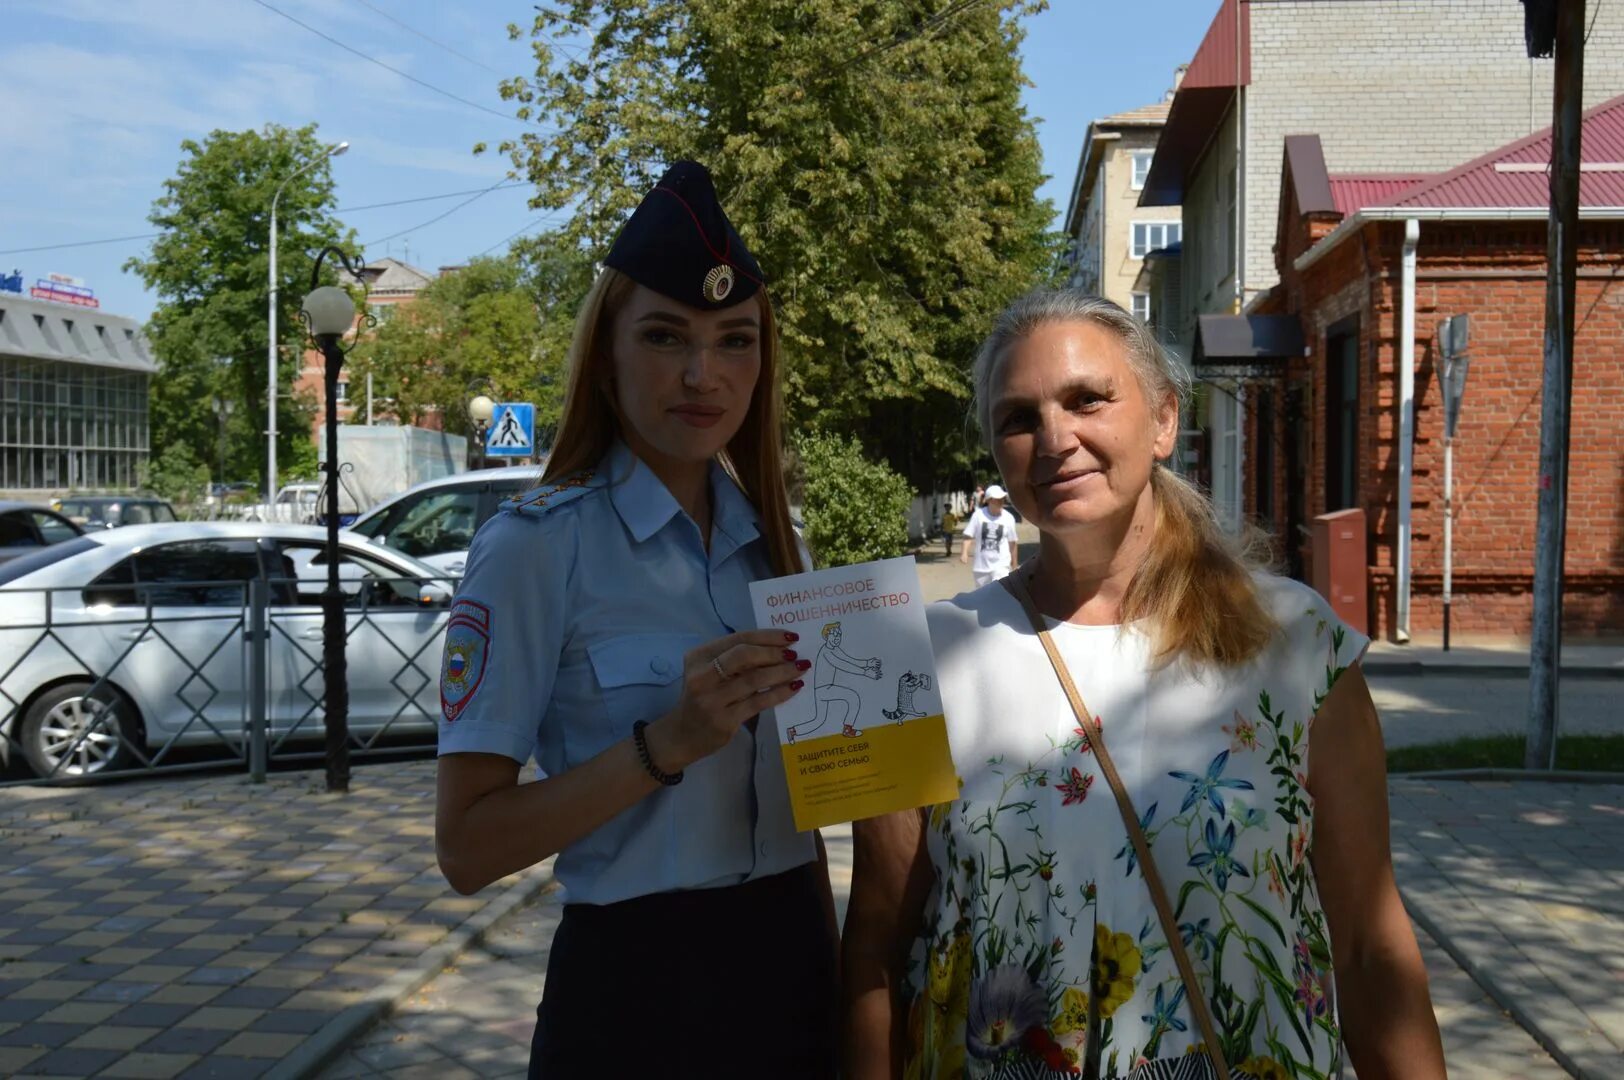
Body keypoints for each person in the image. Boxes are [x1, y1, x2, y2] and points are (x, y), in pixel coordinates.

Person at [843, 290, 1445, 1080]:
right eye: (1018, 418)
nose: (1056, 438)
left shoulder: (1297, 646)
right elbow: (875, 957)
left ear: (1163, 421)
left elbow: (1370, 946)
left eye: (1087, 399)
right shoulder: (909, 659)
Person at [434, 162, 839, 1078]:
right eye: (666, 337)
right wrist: (668, 743)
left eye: (736, 341)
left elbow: (806, 827)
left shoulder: (777, 549)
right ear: (607, 357)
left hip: (793, 971)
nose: (705, 375)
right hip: (635, 996)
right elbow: (465, 848)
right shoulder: (535, 548)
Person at [959, 483, 1020, 586]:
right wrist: (964, 552)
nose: (1001, 501)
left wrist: (1014, 566)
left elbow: (1012, 543)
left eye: (1002, 498)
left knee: (999, 594)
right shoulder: (978, 516)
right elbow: (968, 536)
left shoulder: (1008, 518)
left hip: (1001, 566)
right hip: (981, 567)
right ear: (989, 500)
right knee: (983, 599)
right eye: (997, 498)